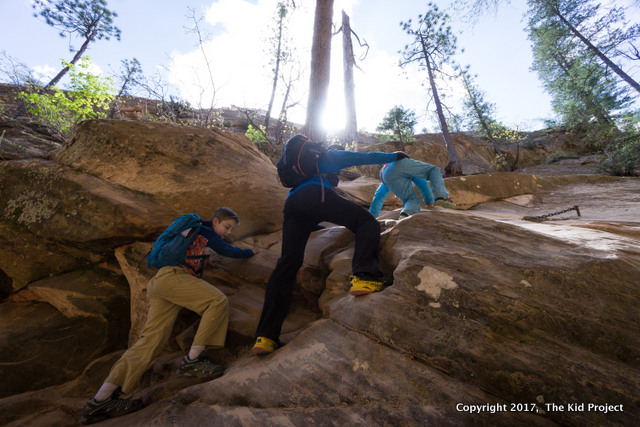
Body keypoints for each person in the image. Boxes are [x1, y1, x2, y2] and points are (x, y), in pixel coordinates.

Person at [79, 207, 256, 425]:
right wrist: (250, 253)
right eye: (227, 227)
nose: (228, 232)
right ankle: (194, 359)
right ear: (216, 220)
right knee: (217, 301)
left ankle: (100, 400)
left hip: (160, 282)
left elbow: (196, 254)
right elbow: (227, 250)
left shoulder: (194, 236)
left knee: (149, 343)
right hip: (173, 278)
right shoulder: (206, 231)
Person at [251, 136, 408, 356]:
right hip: (316, 195)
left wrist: (312, 226)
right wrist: (395, 156)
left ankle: (265, 336)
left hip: (293, 204)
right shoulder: (329, 156)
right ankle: (364, 276)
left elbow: (310, 210)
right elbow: (364, 156)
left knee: (287, 263)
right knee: (366, 221)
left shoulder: (301, 169)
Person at [369, 158, 455, 218]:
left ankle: (405, 214)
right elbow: (422, 183)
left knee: (408, 199)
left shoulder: (389, 172)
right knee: (433, 170)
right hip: (398, 164)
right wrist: (429, 203)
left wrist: (373, 215)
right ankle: (442, 196)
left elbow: (379, 195)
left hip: (383, 173)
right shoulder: (408, 167)